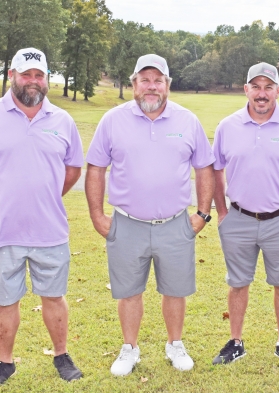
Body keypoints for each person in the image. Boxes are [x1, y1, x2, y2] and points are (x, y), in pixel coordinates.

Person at [0, 47, 84, 391]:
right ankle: (5, 363)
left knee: (53, 297)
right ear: (11, 75)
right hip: (1, 233)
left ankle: (61, 355)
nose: (33, 81)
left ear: (46, 79)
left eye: (39, 75)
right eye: (25, 74)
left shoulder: (63, 121)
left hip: (49, 231)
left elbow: (72, 171)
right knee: (5, 301)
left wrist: (48, 198)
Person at [84, 54, 215, 376]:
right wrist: (97, 215)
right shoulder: (112, 121)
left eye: (158, 80)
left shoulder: (187, 121)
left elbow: (204, 169)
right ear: (133, 84)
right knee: (129, 291)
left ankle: (175, 344)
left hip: (175, 223)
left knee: (175, 289)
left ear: (167, 85)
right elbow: (96, 169)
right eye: (145, 80)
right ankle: (130, 348)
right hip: (127, 223)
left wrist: (201, 214)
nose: (151, 87)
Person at [210, 62, 279, 367]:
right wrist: (221, 212)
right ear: (246, 89)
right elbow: (214, 170)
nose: (262, 94)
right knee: (238, 283)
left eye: (268, 87)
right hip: (239, 218)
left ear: (278, 91)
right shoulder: (227, 126)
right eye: (256, 87)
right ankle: (236, 342)